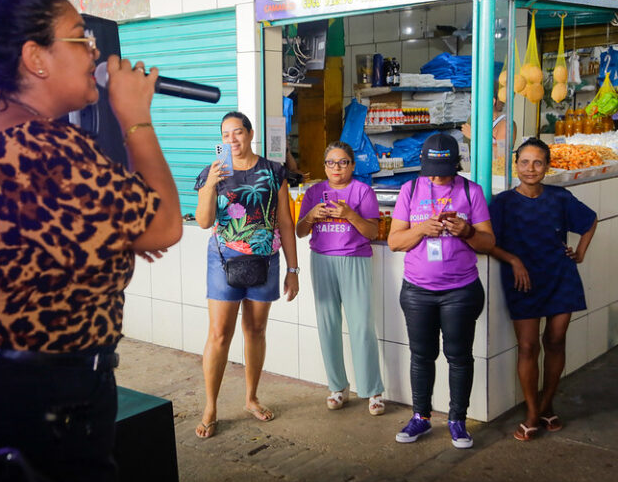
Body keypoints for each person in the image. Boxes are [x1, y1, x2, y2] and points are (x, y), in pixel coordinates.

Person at [0, 0, 182, 482]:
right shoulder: (47, 147)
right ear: (35, 58)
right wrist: (135, 119)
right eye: (80, 38)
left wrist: (110, 237)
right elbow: (166, 225)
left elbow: (19, 248)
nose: (96, 53)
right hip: (39, 400)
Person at [193, 111, 299, 439]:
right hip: (224, 260)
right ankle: (210, 407)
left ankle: (251, 397)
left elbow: (285, 221)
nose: (232, 140)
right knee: (219, 334)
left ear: (250, 133)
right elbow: (203, 221)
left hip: (265, 260)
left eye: (237, 133)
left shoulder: (273, 171)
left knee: (255, 330)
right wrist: (211, 184)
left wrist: (293, 269)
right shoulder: (212, 173)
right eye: (225, 135)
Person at [387, 133, 495, 449]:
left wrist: (468, 231)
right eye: (432, 167)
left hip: (461, 291)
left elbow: (488, 244)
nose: (437, 175)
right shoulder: (410, 190)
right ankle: (420, 417)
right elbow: (395, 242)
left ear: (456, 164)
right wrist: (421, 229)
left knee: (459, 356)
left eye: (444, 168)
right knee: (422, 355)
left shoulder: (471, 192)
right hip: (418, 290)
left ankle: (457, 420)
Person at [489, 138, 597, 441]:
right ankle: (534, 409)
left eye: (538, 162)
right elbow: (489, 242)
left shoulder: (560, 197)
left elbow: (590, 221)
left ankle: (544, 407)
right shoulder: (503, 203)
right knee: (527, 347)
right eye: (524, 162)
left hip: (560, 276)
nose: (531, 168)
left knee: (556, 340)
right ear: (515, 165)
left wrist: (581, 252)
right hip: (523, 280)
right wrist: (513, 261)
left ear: (547, 167)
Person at [296, 141, 385, 415]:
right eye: (331, 162)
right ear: (324, 167)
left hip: (355, 260)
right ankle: (337, 386)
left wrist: (349, 214)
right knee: (328, 325)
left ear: (352, 165)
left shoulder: (363, 191)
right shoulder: (314, 192)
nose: (337, 167)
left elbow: (372, 232)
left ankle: (373, 391)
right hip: (322, 260)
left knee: (361, 327)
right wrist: (310, 215)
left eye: (343, 162)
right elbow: (300, 231)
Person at [461, 85, 517, 160]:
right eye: (471, 102)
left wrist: (475, 137)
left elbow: (502, 154)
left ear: (492, 101)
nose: (472, 107)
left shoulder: (505, 124)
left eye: (476, 102)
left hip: (494, 171)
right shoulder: (475, 122)